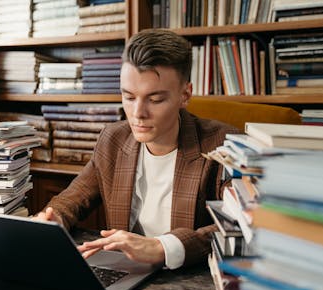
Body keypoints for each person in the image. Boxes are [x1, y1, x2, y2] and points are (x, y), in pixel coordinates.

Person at [34, 29, 239, 269]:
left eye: (155, 99)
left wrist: (163, 247)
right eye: (129, 97)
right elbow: (74, 197)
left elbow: (239, 224)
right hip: (128, 276)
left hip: (194, 284)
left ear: (185, 95)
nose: (137, 113)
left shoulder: (226, 145)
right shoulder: (113, 139)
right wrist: (55, 217)